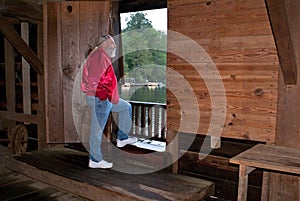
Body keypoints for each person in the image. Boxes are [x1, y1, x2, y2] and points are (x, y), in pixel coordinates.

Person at [81, 35, 137, 169]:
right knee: (97, 129)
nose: (115, 46)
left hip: (103, 98)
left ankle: (122, 138)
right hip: (101, 98)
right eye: (112, 43)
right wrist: (104, 97)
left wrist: (112, 98)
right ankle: (95, 159)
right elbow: (98, 81)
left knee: (126, 107)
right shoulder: (99, 57)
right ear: (104, 44)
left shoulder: (99, 56)